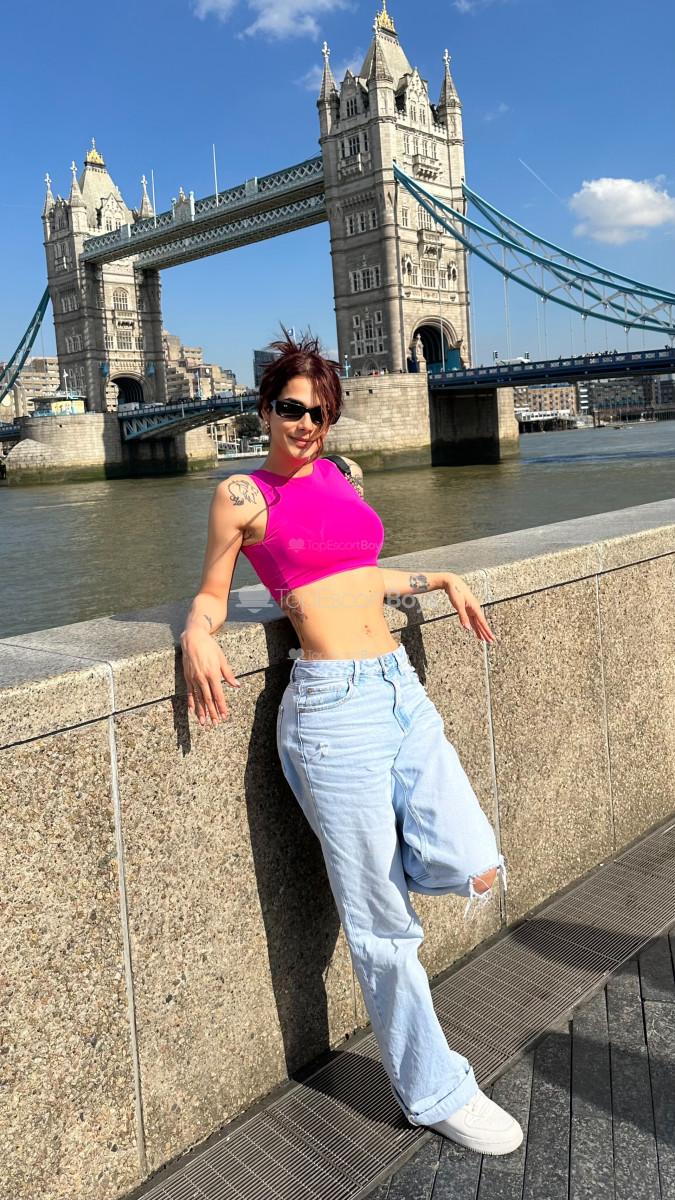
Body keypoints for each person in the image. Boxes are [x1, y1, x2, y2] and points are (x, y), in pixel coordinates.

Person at [180, 331, 522, 1156]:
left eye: (321, 413)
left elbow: (358, 570)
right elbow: (214, 594)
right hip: (332, 714)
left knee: (475, 860)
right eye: (292, 408)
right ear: (265, 409)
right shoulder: (241, 494)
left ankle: (375, 869)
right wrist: (195, 632)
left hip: (399, 691)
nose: (306, 424)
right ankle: (432, 1090)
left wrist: (437, 578)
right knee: (383, 929)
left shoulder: (337, 474)